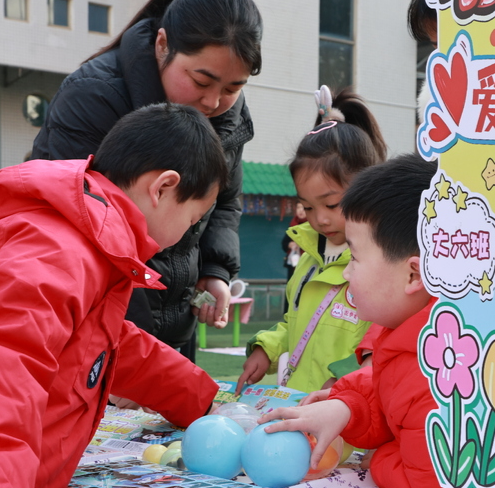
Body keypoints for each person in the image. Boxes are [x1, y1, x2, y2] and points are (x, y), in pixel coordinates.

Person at [30, 0, 263, 362]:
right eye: (201, 80)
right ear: (161, 45)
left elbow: (223, 201)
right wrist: (131, 349)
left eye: (233, 87)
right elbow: (90, 230)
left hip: (170, 325)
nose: (214, 101)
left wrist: (216, 271)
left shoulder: (227, 117)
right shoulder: (95, 97)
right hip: (94, 323)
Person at [0, 103, 225, 487]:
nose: (186, 235)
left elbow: (108, 345)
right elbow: (9, 372)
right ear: (163, 187)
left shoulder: (88, 245)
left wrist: (200, 398)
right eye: (190, 221)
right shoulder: (62, 252)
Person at [261, 153, 440, 488]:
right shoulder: (410, 337)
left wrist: (384, 454)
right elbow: (386, 386)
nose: (345, 272)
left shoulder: (437, 379)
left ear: (413, 274)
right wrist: (346, 406)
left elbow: (423, 481)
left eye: (355, 257)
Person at [237, 86, 387, 394]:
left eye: (331, 204)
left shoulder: (384, 265)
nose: (319, 218)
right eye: (307, 206)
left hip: (349, 415)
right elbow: (298, 324)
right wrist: (267, 347)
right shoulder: (309, 258)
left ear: (367, 187)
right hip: (300, 408)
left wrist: (344, 378)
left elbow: (385, 340)